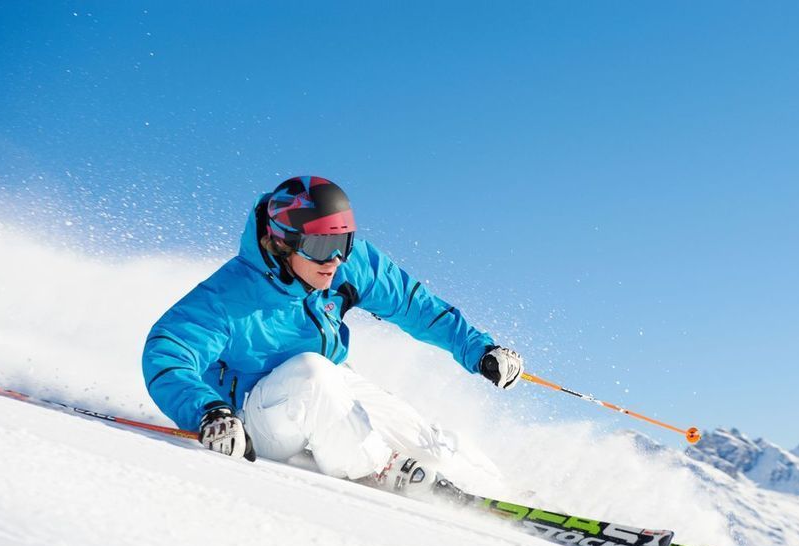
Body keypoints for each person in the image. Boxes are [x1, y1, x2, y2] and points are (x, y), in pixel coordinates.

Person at [142, 176, 523, 494]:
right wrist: (209, 412)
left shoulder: (343, 266)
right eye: (321, 247)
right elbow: (167, 351)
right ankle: (377, 468)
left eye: (343, 244)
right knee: (313, 372)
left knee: (429, 445)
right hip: (256, 418)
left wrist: (479, 349)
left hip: (329, 388)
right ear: (281, 242)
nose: (335, 260)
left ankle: (504, 494)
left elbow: (414, 305)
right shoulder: (229, 296)